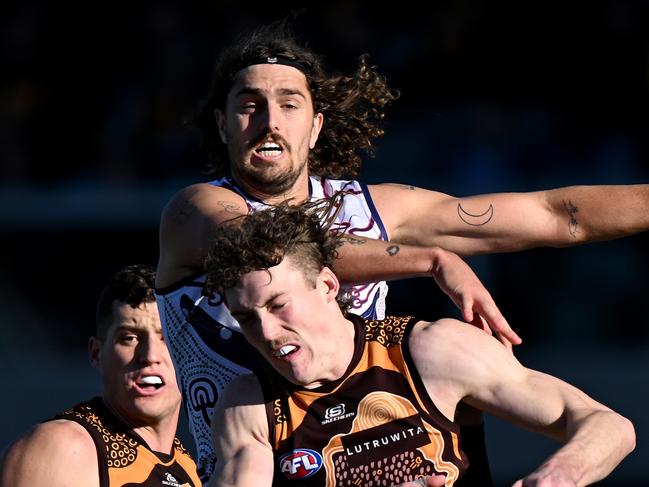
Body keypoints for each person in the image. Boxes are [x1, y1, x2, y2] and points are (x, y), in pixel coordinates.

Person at [154, 19, 649, 482]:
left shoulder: (372, 211)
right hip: (247, 462)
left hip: (386, 452)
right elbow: (279, 250)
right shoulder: (196, 210)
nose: (269, 121)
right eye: (249, 105)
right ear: (222, 125)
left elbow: (558, 215)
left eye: (288, 104)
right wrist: (432, 258)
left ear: (316, 125)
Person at [203, 202, 635, 487]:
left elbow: (609, 425)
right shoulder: (250, 404)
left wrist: (558, 475)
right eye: (246, 318)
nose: (267, 331)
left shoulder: (428, 350)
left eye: (279, 305)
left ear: (328, 285)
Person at [0, 264, 201, 487]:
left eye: (166, 338)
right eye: (129, 338)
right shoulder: (64, 448)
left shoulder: (190, 468)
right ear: (96, 353)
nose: (150, 355)